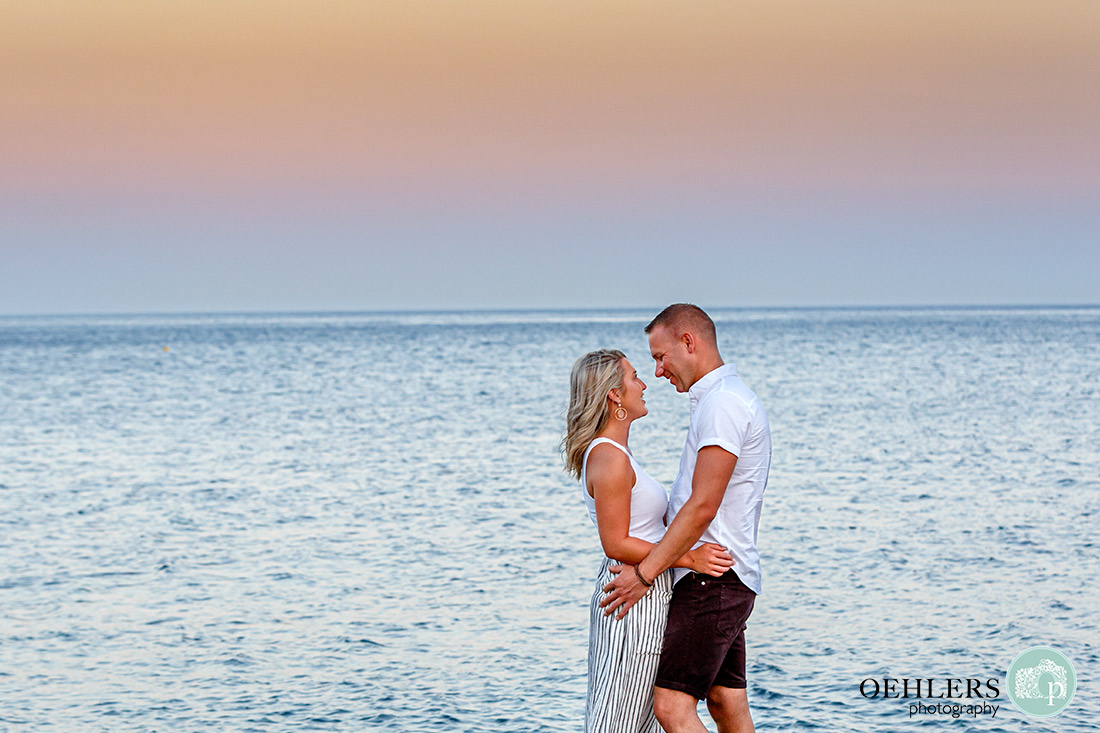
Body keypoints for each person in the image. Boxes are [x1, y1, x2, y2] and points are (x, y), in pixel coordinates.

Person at [599, 305, 772, 733]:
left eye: (660, 357)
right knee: (725, 701)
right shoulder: (722, 400)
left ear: (688, 343)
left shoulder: (723, 405)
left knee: (672, 708)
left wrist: (644, 574)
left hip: (711, 581)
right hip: (724, 574)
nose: (658, 371)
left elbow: (702, 506)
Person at [562, 349, 734, 733]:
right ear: (614, 395)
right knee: (617, 721)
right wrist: (688, 558)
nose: (644, 384)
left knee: (644, 722)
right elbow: (616, 542)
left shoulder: (618, 454)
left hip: (646, 591)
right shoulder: (609, 458)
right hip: (630, 600)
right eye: (635, 377)